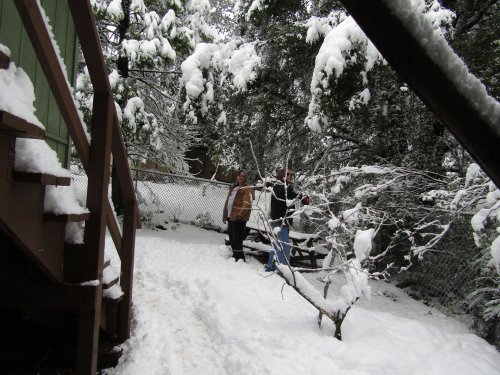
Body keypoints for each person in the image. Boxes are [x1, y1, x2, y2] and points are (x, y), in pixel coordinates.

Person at [265, 168, 308, 272]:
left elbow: (293, 197)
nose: (290, 176)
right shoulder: (283, 188)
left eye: (290, 175)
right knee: (283, 247)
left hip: (277, 221)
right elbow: (292, 196)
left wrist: (302, 197)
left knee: (276, 245)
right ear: (282, 176)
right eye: (287, 174)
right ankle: (282, 269)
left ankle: (271, 266)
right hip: (281, 222)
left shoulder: (279, 186)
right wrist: (302, 197)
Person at [223, 169, 254, 262]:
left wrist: (241, 214)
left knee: (237, 238)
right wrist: (224, 215)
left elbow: (247, 203)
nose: (241, 177)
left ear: (245, 178)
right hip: (231, 215)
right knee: (232, 236)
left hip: (239, 217)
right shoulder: (233, 187)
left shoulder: (247, 188)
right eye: (239, 175)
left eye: (243, 176)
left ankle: (240, 257)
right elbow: (228, 201)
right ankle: (235, 254)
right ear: (237, 177)